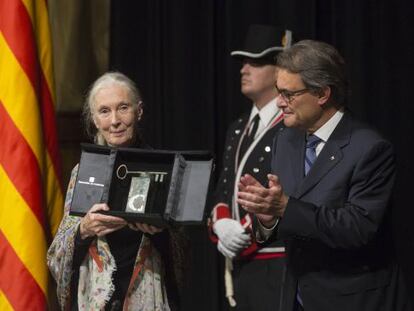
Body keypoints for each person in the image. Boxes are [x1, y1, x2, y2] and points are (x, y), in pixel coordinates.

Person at [237, 40, 411, 311]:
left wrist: (284, 206)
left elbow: (357, 228)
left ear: (322, 94)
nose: (279, 102)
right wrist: (267, 218)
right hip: (296, 298)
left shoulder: (370, 148)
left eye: (288, 94)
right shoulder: (285, 141)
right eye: (278, 92)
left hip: (353, 300)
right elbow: (284, 228)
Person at [47, 72, 186, 311]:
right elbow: (57, 255)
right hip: (96, 299)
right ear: (94, 119)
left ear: (139, 111)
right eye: (104, 111)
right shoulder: (83, 171)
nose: (114, 121)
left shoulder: (164, 168)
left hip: (147, 295)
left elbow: (183, 254)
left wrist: (159, 232)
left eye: (123, 108)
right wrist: (83, 230)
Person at [209, 25, 294, 310]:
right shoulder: (237, 128)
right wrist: (221, 224)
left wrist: (245, 233)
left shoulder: (291, 125)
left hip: (275, 260)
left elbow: (289, 188)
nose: (245, 69)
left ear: (280, 69)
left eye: (256, 62)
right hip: (241, 264)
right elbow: (224, 186)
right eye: (243, 62)